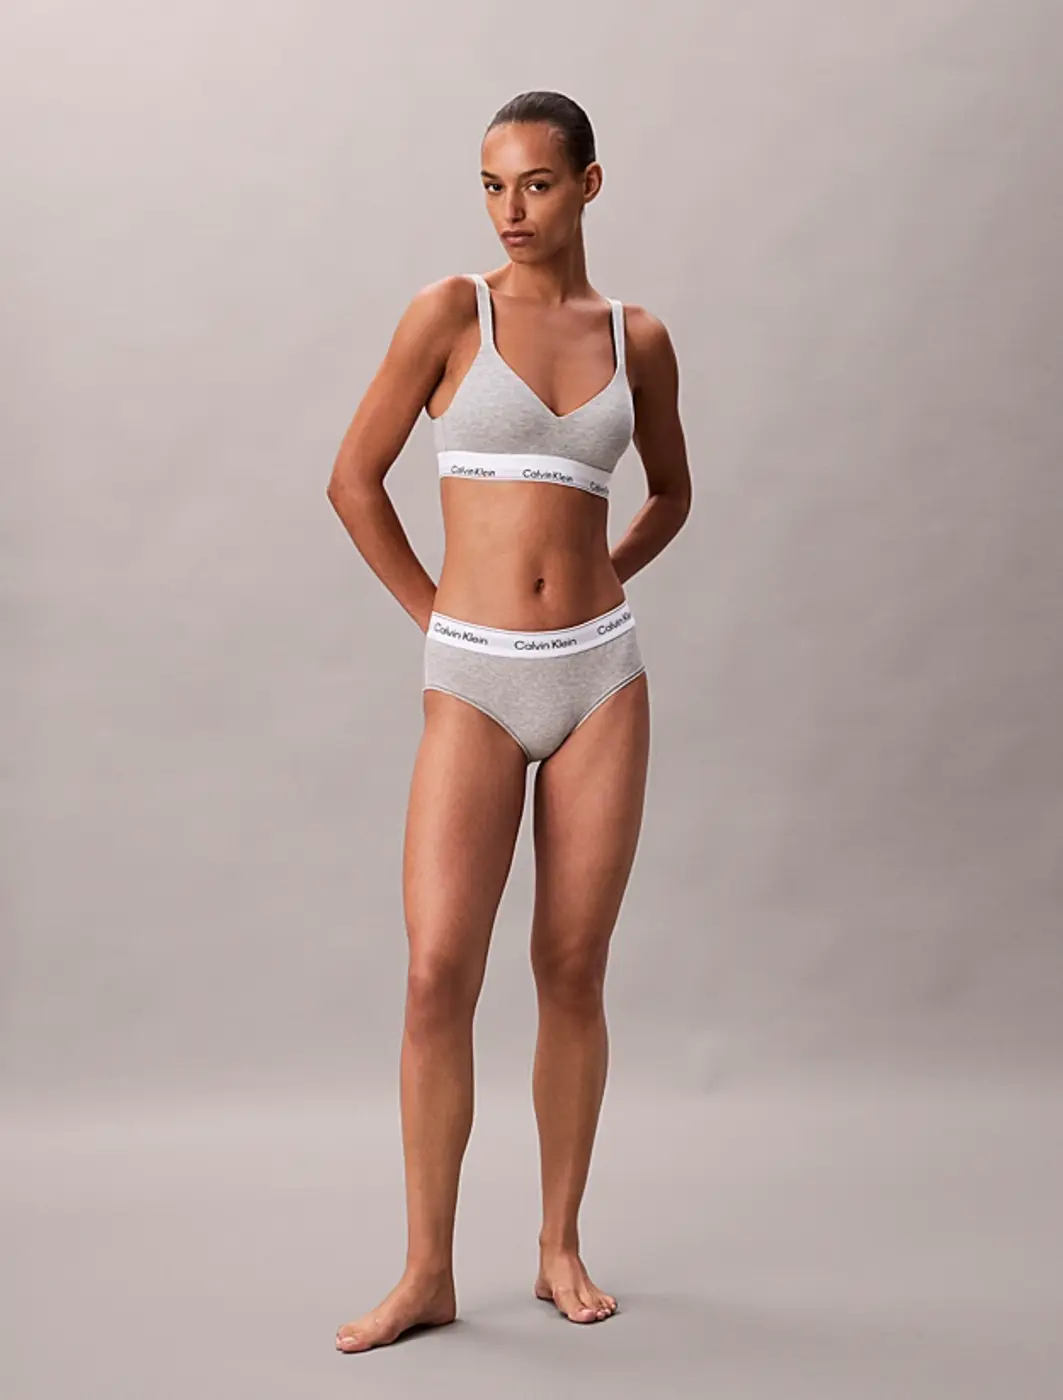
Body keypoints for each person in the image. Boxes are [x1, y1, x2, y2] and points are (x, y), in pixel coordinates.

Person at [326, 89, 691, 1353]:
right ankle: (426, 1269)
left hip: (600, 677)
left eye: (535, 182)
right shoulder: (448, 313)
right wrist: (437, 615)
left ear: (589, 184)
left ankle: (556, 1242)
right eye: (491, 185)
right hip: (474, 676)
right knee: (437, 972)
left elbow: (672, 493)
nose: (510, 209)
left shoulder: (636, 338)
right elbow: (351, 479)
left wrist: (595, 585)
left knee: (571, 968)